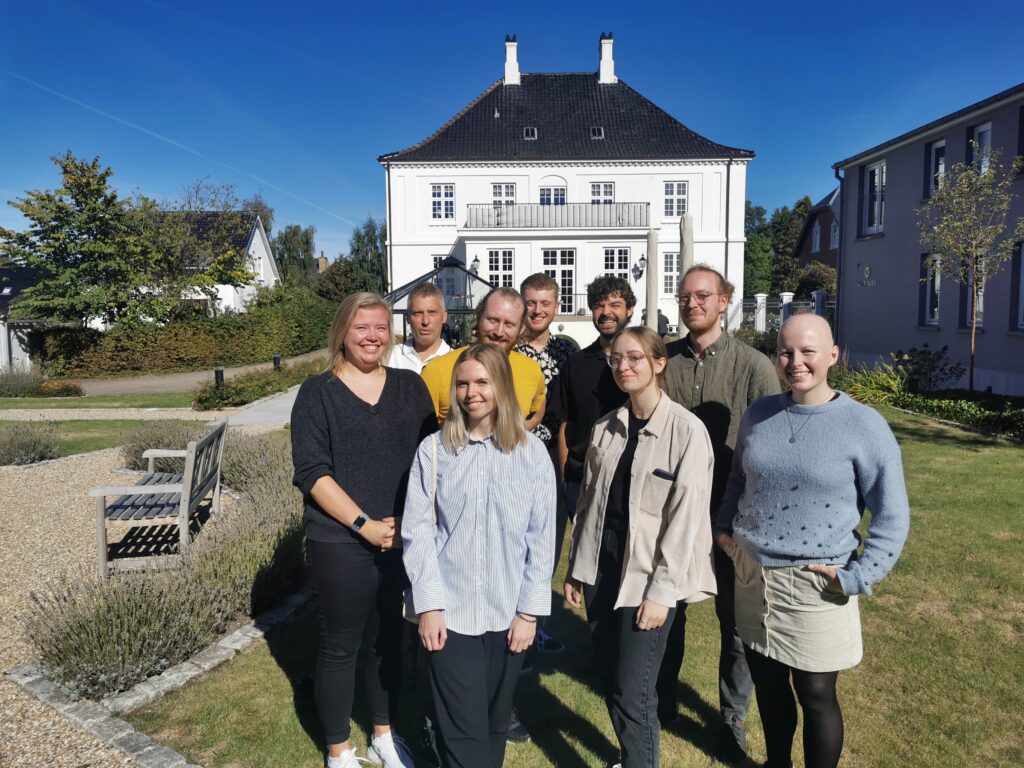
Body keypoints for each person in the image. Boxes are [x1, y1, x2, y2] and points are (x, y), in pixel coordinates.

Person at [714, 314, 911, 768]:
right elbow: (739, 480)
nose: (795, 362)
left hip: (817, 584)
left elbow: (893, 514)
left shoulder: (863, 425)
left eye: (808, 352)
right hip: (753, 577)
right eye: (785, 352)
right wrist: (723, 530)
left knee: (816, 694)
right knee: (768, 685)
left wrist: (858, 576)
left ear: (833, 355)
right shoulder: (760, 414)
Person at [291, 292, 436, 768]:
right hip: (340, 538)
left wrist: (412, 520)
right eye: (361, 327)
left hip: (400, 536)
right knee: (341, 644)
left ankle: (384, 734)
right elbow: (312, 473)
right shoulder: (317, 393)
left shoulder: (410, 387)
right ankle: (338, 750)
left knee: (388, 639)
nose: (372, 337)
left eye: (380, 328)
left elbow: (430, 458)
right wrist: (364, 525)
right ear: (342, 333)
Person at [564, 326, 716, 768]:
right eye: (616, 359)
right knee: (610, 677)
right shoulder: (605, 428)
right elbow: (589, 505)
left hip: (647, 577)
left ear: (658, 363)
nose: (623, 366)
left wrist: (661, 594)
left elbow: (686, 522)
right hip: (602, 568)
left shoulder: (687, 432)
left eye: (634, 358)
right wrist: (576, 567)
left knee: (635, 693)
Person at [402, 344, 556, 768]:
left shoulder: (531, 454)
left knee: (492, 727)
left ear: (502, 386)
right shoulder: (434, 451)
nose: (472, 393)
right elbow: (418, 533)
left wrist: (529, 614)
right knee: (463, 733)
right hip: (451, 616)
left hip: (508, 615)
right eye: (463, 384)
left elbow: (542, 540)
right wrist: (429, 606)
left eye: (482, 382)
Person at [658, 264, 781, 763]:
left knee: (735, 621)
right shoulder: (665, 361)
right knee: (667, 607)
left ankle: (733, 715)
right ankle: (660, 697)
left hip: (732, 511)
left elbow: (771, 444)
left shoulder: (753, 366)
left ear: (724, 300)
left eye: (703, 296)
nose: (692, 304)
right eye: (685, 296)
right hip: (672, 507)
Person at [514, 273, 576, 658]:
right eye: (531, 303)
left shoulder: (567, 351)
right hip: (514, 452)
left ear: (556, 307)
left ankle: (537, 626)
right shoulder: (508, 350)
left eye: (545, 303)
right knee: (514, 539)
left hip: (553, 455)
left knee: (547, 540)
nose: (537, 310)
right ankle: (509, 623)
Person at [553, 275, 635, 517]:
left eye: (615, 305)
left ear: (630, 310)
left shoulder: (643, 362)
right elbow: (566, 423)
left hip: (629, 479)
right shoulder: (576, 364)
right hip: (581, 481)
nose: (606, 312)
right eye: (599, 305)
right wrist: (566, 478)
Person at [420, 287, 545, 431]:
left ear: (521, 328)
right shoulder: (437, 370)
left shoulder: (532, 370)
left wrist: (516, 434)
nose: (499, 332)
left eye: (509, 324)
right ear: (479, 317)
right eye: (493, 320)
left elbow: (537, 412)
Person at [388, 283, 451, 373]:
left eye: (432, 313)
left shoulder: (457, 361)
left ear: (444, 316)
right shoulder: (391, 358)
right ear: (408, 318)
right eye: (418, 313)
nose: (425, 321)